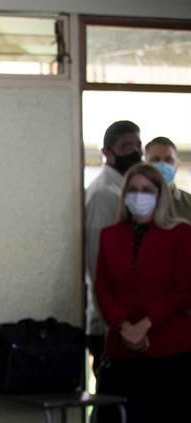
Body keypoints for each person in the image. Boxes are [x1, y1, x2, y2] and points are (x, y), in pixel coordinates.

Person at [93, 162, 191, 423]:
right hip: (123, 353)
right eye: (133, 189)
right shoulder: (109, 235)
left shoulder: (180, 235)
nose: (139, 196)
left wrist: (146, 325)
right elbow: (102, 288)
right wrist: (124, 327)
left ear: (160, 194)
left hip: (169, 351)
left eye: (147, 189)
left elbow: (182, 290)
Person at [84, 120, 142, 371]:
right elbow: (98, 262)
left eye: (138, 145)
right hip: (110, 320)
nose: (135, 151)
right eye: (126, 146)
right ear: (107, 152)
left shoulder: (131, 190)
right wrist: (112, 318)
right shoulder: (103, 194)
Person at [144, 136, 191, 222]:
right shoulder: (136, 201)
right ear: (144, 165)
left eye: (168, 160)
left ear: (177, 165)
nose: (163, 164)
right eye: (155, 160)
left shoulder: (189, 202)